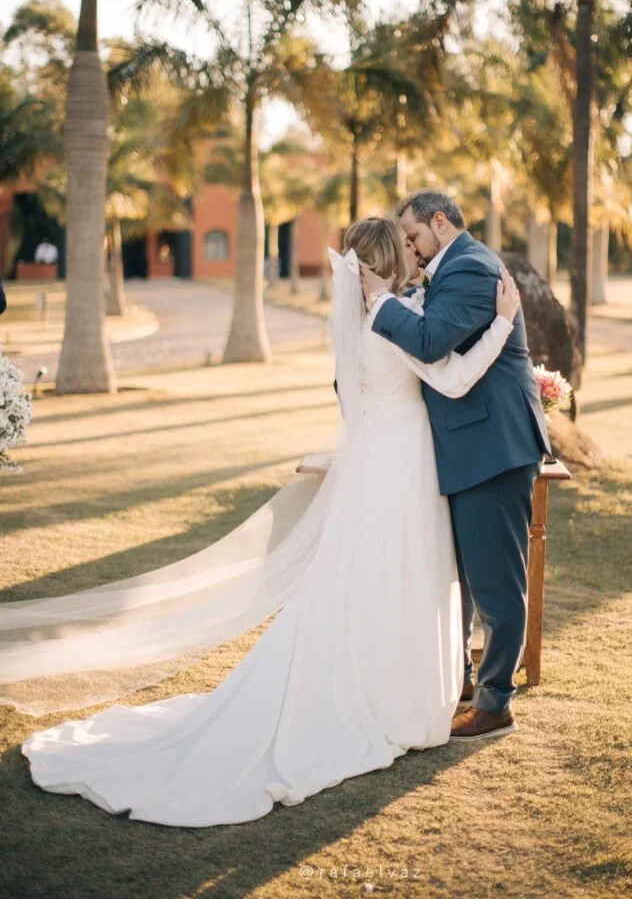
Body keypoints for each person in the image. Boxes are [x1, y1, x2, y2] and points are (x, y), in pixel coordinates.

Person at [16, 216, 520, 828]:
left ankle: (382, 688)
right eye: (406, 249)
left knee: (373, 575)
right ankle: (394, 700)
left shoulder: (367, 321)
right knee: (401, 574)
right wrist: (502, 323)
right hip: (403, 461)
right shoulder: (393, 321)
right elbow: (456, 378)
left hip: (380, 458)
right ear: (389, 262)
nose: (416, 256)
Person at [360, 190, 550, 742]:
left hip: (492, 448)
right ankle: (463, 683)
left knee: (495, 585)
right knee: (464, 579)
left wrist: (379, 301)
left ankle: (495, 704)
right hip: (467, 449)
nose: (411, 249)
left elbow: (429, 341)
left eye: (414, 235)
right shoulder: (447, 271)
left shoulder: (469, 267)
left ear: (439, 223)